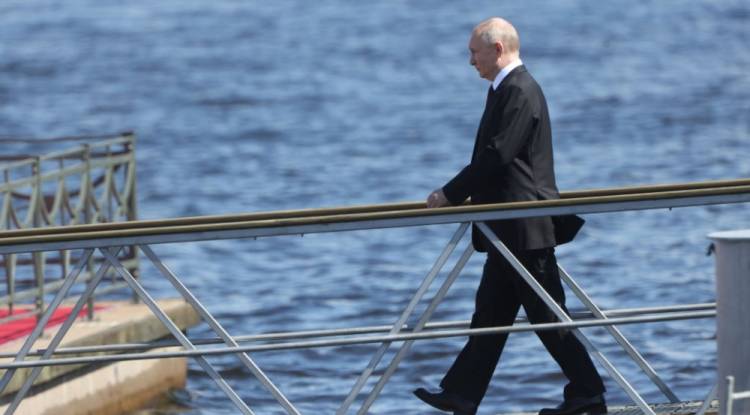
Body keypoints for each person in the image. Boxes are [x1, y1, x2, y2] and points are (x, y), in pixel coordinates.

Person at [414, 17, 607, 415]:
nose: (471, 61)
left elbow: (498, 155)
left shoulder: (520, 89)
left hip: (524, 227)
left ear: (497, 49)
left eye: (474, 53)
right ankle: (462, 394)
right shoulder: (506, 89)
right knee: (491, 313)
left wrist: (450, 193)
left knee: (547, 315)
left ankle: (588, 393)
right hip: (508, 227)